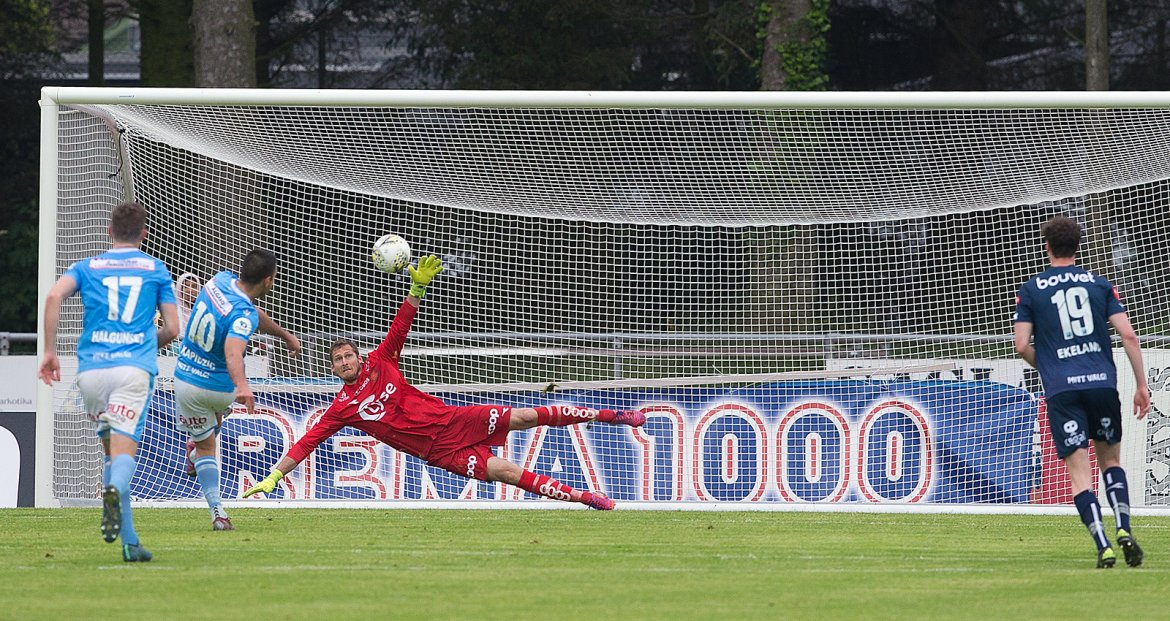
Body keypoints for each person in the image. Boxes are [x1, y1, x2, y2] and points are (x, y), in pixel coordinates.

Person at [243, 255, 645, 509]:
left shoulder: (382, 361)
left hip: (455, 419)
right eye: (338, 360)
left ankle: (613, 415)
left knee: (526, 415)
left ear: (359, 356)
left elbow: (401, 326)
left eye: (349, 355)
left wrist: (417, 288)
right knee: (504, 470)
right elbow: (306, 442)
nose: (345, 361)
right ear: (333, 370)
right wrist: (275, 476)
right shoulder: (342, 408)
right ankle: (583, 497)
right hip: (439, 453)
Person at [38, 201, 180, 563]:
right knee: (123, 455)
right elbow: (174, 329)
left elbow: (54, 295)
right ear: (144, 234)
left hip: (91, 374)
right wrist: (148, 342)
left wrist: (50, 352)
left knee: (109, 454)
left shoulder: (87, 266)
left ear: (109, 233)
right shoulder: (156, 269)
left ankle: (130, 544)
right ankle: (113, 492)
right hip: (131, 371)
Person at [1013, 215, 1151, 569]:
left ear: (1047, 247)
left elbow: (1020, 344)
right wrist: (1141, 384)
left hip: (1062, 389)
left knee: (1079, 473)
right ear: (1078, 246)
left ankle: (1103, 544)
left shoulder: (1032, 288)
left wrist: (1049, 365)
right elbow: (1129, 335)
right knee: (1111, 462)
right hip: (1101, 384)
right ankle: (1123, 528)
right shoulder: (1100, 285)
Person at [174, 249, 301, 531]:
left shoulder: (218, 280)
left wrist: (284, 335)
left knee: (206, 442)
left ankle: (217, 512)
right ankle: (198, 448)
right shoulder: (243, 314)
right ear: (268, 281)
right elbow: (233, 351)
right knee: (211, 439)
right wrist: (243, 386)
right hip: (219, 387)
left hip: (184, 379)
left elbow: (255, 314)